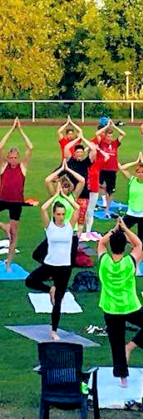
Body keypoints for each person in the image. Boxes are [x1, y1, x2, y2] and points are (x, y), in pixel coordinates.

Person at [97, 218, 143, 388]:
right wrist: (124, 229)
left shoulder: (104, 262)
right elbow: (139, 245)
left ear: (111, 246)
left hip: (110, 309)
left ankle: (122, 378)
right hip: (130, 307)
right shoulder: (129, 263)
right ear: (125, 247)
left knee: (116, 344)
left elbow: (101, 244)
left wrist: (114, 229)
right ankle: (130, 347)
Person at [25, 186, 79, 341]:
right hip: (50, 265)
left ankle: (54, 331)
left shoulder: (69, 226)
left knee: (58, 303)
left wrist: (66, 197)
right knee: (30, 281)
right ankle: (50, 290)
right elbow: (43, 208)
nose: (61, 217)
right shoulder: (49, 226)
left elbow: (77, 208)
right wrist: (56, 195)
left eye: (63, 214)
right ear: (54, 215)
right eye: (58, 214)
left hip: (64, 268)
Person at [0, 118, 33, 271]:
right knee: (8, 229)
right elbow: (1, 146)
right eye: (10, 157)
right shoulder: (4, 166)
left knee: (14, 235)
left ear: (18, 158)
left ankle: (8, 263)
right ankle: (3, 226)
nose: (13, 160)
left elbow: (30, 147)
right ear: (7, 158)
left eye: (15, 157)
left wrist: (20, 130)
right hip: (2, 199)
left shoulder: (22, 167)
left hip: (16, 203)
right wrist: (11, 129)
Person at [63, 136, 98, 237]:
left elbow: (93, 150)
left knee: (80, 219)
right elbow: (66, 148)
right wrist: (77, 139)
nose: (79, 154)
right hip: (71, 194)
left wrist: (84, 138)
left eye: (81, 152)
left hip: (83, 195)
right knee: (68, 216)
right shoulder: (71, 161)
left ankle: (77, 239)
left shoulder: (85, 163)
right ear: (74, 153)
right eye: (77, 152)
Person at [94, 120, 126, 219]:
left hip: (112, 170)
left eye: (111, 136)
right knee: (98, 185)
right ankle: (98, 200)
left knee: (110, 191)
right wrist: (106, 126)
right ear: (105, 136)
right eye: (108, 136)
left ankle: (107, 210)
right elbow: (97, 134)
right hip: (103, 168)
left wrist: (114, 127)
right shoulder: (101, 143)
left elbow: (123, 134)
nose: (109, 138)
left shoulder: (115, 143)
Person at [44, 160, 85, 224]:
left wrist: (68, 169)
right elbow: (47, 180)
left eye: (66, 186)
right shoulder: (54, 195)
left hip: (70, 229)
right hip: (56, 228)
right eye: (62, 186)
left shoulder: (73, 196)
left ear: (69, 187)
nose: (63, 188)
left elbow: (82, 180)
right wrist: (61, 169)